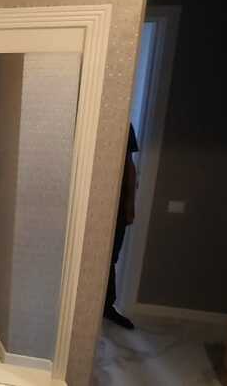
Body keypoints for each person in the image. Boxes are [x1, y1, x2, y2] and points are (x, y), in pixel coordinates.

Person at [105, 123, 139, 330]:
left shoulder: (125, 126)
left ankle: (106, 306)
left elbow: (129, 164)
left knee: (110, 258)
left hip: (117, 205)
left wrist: (130, 204)